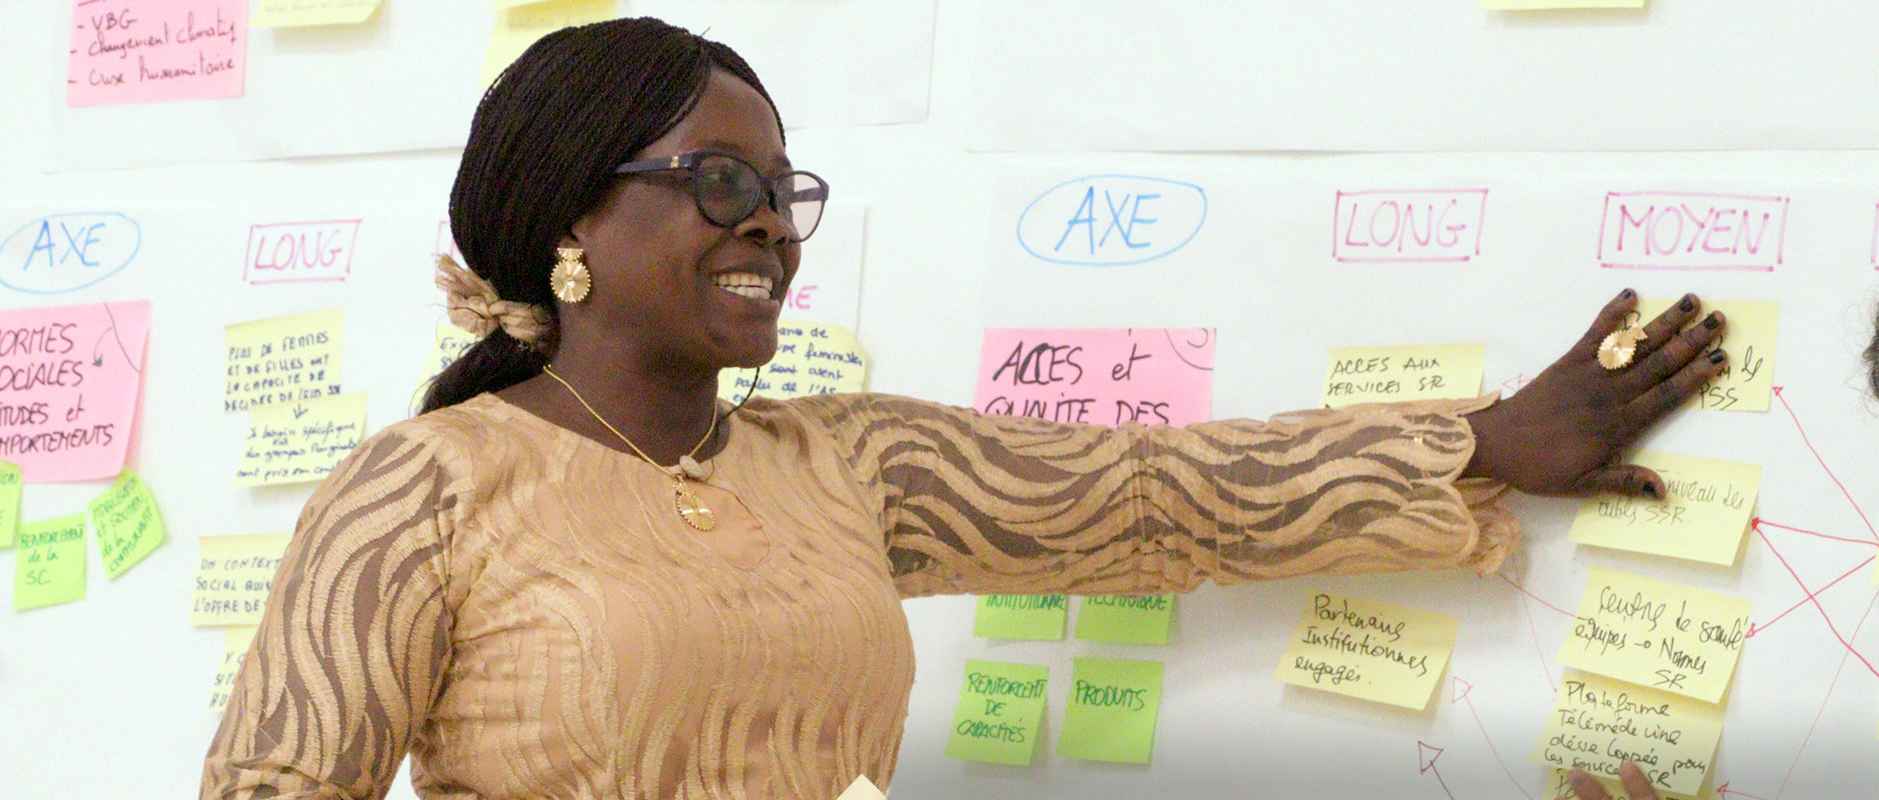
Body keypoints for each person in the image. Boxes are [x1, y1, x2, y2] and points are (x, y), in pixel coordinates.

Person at [200, 17, 1729, 800]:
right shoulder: (426, 489)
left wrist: (1483, 443)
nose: (771, 223)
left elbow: (1156, 502)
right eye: (719, 182)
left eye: (785, 190)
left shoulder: (845, 461)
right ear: (568, 220)